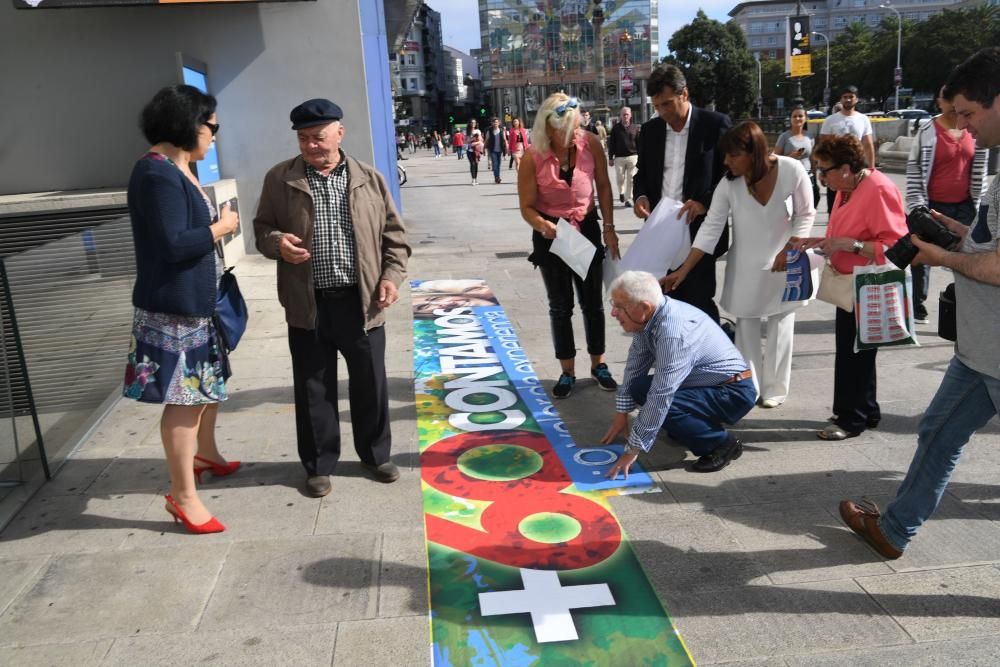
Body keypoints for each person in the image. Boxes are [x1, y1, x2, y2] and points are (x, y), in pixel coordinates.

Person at [839, 47, 1000, 560]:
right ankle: (895, 529)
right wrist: (960, 234)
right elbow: (990, 247)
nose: (966, 130)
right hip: (980, 350)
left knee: (938, 433)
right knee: (936, 431)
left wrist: (940, 256)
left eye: (971, 115)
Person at [253, 98, 411, 498]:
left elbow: (395, 239)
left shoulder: (370, 179)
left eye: (318, 137)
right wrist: (277, 243)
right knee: (313, 388)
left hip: (362, 302)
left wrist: (391, 277)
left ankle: (376, 455)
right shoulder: (279, 179)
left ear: (339, 133)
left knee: (370, 383)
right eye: (303, 139)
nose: (310, 146)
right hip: (308, 303)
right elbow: (262, 229)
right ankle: (319, 464)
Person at [122, 85, 240, 534]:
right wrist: (221, 226)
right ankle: (183, 495)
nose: (214, 135)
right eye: (211, 126)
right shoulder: (155, 175)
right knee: (184, 401)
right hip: (174, 310)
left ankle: (205, 454)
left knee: (207, 387)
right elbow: (172, 244)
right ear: (186, 125)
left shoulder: (179, 167)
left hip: (195, 304)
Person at [664, 122, 815, 409]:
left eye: (733, 155)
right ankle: (750, 387)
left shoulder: (791, 170)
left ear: (753, 152)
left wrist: (791, 247)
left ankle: (775, 389)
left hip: (785, 264)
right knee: (745, 327)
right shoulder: (728, 184)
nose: (726, 161)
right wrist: (683, 270)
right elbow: (710, 229)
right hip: (745, 266)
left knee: (781, 325)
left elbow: (806, 214)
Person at [791, 135, 907, 441]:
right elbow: (843, 233)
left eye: (824, 170)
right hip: (851, 283)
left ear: (845, 168)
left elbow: (898, 244)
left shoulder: (878, 188)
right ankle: (866, 410)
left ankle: (850, 418)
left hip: (867, 285)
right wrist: (821, 243)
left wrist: (851, 245)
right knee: (859, 350)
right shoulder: (847, 187)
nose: (820, 176)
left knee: (853, 353)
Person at [602, 271, 756, 478]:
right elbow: (634, 366)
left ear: (644, 307)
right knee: (639, 387)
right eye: (613, 304)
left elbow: (661, 395)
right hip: (710, 384)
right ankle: (690, 425)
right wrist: (621, 414)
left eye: (619, 307)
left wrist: (632, 450)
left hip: (732, 391)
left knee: (661, 403)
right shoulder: (651, 316)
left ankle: (721, 443)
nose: (613, 313)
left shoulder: (674, 334)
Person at [517, 93, 620, 399]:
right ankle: (567, 370)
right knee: (560, 306)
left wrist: (609, 229)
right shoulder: (532, 157)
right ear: (548, 130)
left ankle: (598, 364)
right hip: (552, 235)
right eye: (567, 130)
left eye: (577, 127)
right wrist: (542, 225)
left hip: (585, 229)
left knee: (592, 303)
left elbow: (603, 185)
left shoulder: (590, 144)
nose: (574, 135)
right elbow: (526, 206)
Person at [633, 64, 732, 324]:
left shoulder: (715, 126)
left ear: (684, 94)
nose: (663, 112)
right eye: (657, 106)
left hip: (699, 230)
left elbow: (730, 175)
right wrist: (640, 196)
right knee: (664, 303)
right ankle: (673, 360)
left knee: (699, 302)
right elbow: (641, 174)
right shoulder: (651, 131)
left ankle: (709, 358)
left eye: (667, 104)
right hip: (662, 231)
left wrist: (704, 203)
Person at [904, 85, 989, 324]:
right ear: (939, 101)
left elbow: (980, 170)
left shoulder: (973, 130)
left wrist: (981, 205)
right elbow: (915, 169)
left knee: (969, 255)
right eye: (947, 98)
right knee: (924, 256)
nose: (952, 104)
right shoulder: (928, 130)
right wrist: (917, 206)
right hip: (932, 205)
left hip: (965, 206)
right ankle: (917, 304)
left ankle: (963, 302)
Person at [819, 85, 876, 213]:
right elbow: (823, 148)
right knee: (834, 207)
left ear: (856, 99)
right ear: (841, 99)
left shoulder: (863, 119)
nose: (848, 100)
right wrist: (823, 171)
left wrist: (872, 170)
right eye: (845, 97)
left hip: (857, 169)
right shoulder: (830, 120)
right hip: (835, 168)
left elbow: (868, 145)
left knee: (858, 206)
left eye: (851, 97)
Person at [774, 105, 819, 207]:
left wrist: (815, 175)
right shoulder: (784, 137)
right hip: (790, 176)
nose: (797, 119)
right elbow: (775, 158)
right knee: (792, 206)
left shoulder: (810, 136)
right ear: (790, 119)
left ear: (805, 118)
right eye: (794, 116)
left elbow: (812, 158)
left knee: (807, 205)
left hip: (807, 176)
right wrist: (790, 157)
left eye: (800, 116)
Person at [607, 106, 640, 208]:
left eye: (627, 114)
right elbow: (611, 143)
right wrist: (610, 157)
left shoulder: (635, 128)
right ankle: (621, 192)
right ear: (620, 116)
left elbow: (639, 143)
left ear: (630, 115)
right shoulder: (616, 128)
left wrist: (641, 156)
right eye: (623, 114)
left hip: (633, 156)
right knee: (620, 178)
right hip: (619, 157)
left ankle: (628, 198)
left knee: (631, 179)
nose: (625, 116)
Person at [485, 117, 508, 184]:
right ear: (492, 123)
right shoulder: (489, 131)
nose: (495, 123)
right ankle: (497, 177)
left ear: (499, 123)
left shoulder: (501, 130)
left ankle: (497, 176)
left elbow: (504, 139)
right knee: (495, 164)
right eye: (494, 122)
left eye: (497, 122)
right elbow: (486, 140)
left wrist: (506, 146)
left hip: (500, 150)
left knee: (498, 164)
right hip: (492, 150)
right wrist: (483, 148)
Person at [467, 119, 484, 186]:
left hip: (476, 150)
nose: (473, 123)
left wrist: (474, 143)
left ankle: (475, 179)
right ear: (470, 123)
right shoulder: (467, 131)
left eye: (474, 122)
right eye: (471, 122)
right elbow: (466, 141)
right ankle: (473, 179)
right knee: (472, 164)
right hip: (469, 150)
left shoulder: (478, 131)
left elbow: (480, 141)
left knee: (476, 164)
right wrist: (470, 140)